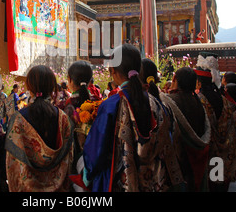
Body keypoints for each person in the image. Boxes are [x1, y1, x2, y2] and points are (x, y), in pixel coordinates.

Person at [82, 44, 157, 192]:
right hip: (151, 177)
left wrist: (87, 174)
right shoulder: (153, 101)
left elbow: (96, 149)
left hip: (117, 180)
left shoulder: (111, 104)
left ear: (113, 70)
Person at [5, 65, 74, 192]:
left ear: (29, 87)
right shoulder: (62, 118)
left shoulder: (19, 119)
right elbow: (69, 155)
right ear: (52, 87)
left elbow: (13, 160)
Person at [160, 67, 211, 192]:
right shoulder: (199, 102)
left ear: (176, 80)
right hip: (197, 158)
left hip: (178, 161)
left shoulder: (169, 102)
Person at [140, 58, 186, 191]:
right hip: (167, 171)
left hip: (148, 174)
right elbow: (176, 137)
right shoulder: (166, 104)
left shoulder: (142, 105)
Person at [193, 52, 225, 191]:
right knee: (217, 183)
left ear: (199, 82)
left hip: (205, 151)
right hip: (222, 149)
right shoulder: (221, 97)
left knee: (207, 185)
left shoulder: (199, 100)